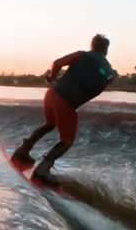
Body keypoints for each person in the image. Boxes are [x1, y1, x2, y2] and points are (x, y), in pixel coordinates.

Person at [11, 34, 116, 183]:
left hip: (52, 94)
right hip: (66, 104)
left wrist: (52, 79)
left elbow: (57, 63)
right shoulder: (109, 71)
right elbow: (104, 84)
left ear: (92, 45)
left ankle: (22, 151)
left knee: (49, 124)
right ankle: (43, 169)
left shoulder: (81, 55)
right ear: (106, 50)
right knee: (67, 140)